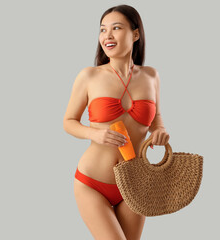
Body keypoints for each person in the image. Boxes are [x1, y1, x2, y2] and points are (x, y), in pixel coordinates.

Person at [63, 4, 170, 240]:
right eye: (102, 30)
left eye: (116, 28)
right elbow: (68, 122)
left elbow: (156, 117)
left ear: (135, 34)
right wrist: (95, 134)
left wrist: (160, 131)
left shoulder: (152, 76)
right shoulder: (89, 76)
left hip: (135, 181)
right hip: (93, 182)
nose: (107, 35)